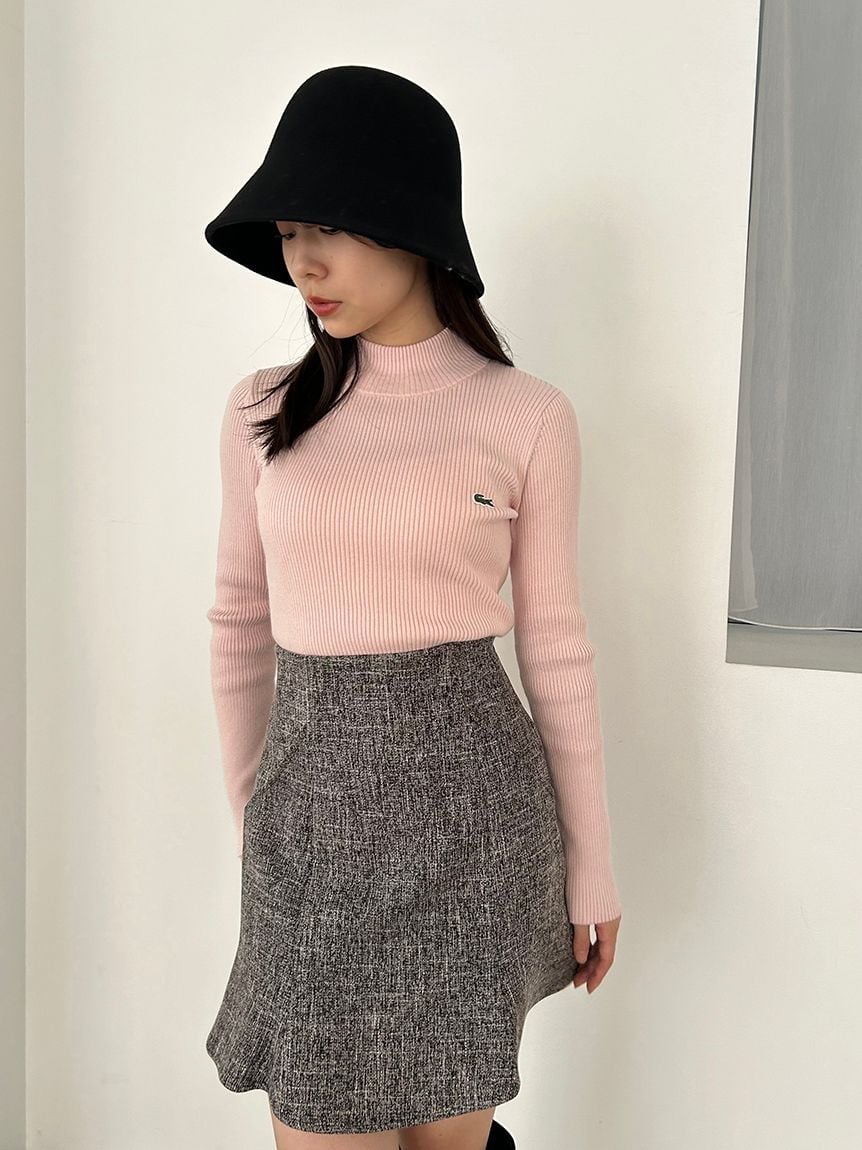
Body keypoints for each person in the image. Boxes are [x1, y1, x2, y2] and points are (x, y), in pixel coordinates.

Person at [202, 65, 622, 1150]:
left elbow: (557, 647)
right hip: (308, 841)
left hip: (475, 832)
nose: (303, 262)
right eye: (289, 232)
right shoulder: (261, 411)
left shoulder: (526, 416)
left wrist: (593, 864)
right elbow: (238, 623)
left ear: (414, 225)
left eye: (330, 227)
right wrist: (255, 818)